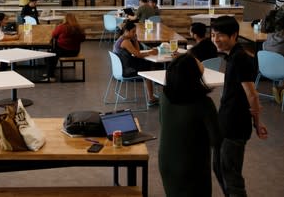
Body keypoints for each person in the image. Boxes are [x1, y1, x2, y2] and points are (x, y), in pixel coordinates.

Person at [211, 15, 268, 197]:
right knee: (219, 167)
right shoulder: (231, 57)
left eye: (220, 35)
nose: (215, 40)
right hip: (225, 122)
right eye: (213, 35)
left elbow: (252, 94)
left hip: (235, 126)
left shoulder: (240, 59)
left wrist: (257, 123)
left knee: (231, 174)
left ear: (234, 35)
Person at [159, 53, 221, 197]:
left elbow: (163, 122)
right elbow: (216, 139)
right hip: (192, 164)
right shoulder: (204, 103)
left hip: (167, 159)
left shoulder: (164, 96)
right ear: (193, 74)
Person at [113, 20, 159, 107]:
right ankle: (151, 98)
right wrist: (151, 52)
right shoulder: (125, 42)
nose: (134, 33)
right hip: (127, 70)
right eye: (133, 31)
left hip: (121, 68)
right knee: (148, 68)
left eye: (135, 31)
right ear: (126, 31)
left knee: (146, 64)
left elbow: (137, 51)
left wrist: (135, 40)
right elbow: (138, 54)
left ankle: (151, 96)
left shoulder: (122, 39)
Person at [43, 13, 85, 82]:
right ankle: (49, 72)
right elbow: (83, 39)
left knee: (49, 55)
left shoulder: (62, 27)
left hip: (63, 50)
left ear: (65, 19)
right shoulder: (79, 28)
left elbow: (54, 35)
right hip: (75, 52)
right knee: (54, 54)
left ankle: (50, 76)